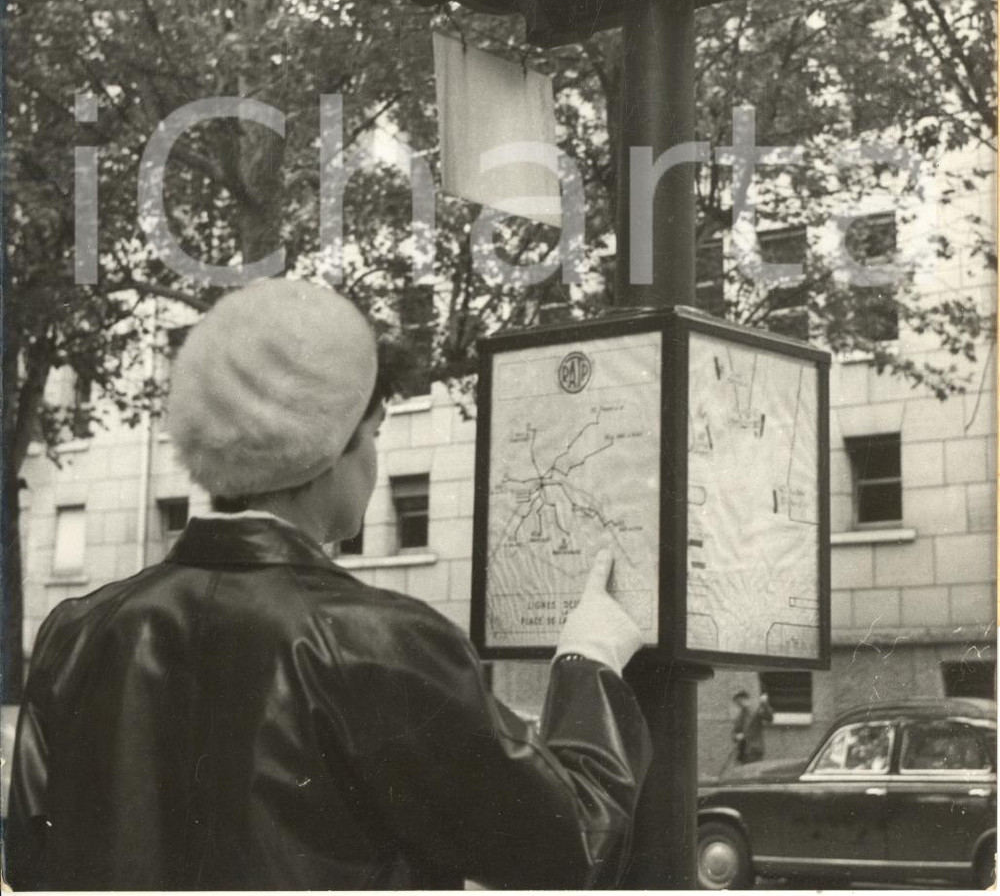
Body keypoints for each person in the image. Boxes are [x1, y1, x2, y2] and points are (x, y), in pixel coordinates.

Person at [6, 279, 652, 890]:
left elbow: (33, 863)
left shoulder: (77, 630)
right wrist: (589, 660)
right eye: (373, 433)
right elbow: (569, 847)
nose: (374, 460)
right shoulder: (385, 641)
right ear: (331, 445)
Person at [731, 687, 774, 764]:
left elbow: (769, 718)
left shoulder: (756, 710)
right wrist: (736, 736)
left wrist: (765, 704)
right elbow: (734, 732)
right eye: (737, 702)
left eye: (739, 701)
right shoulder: (740, 715)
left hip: (754, 750)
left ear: (745, 699)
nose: (738, 704)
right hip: (743, 751)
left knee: (753, 769)